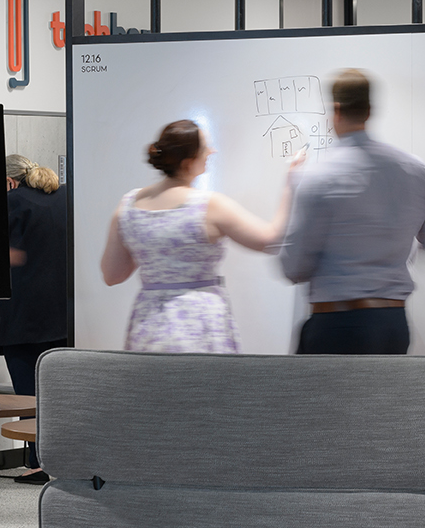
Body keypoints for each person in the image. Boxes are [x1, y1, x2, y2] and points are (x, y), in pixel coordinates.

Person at [278, 70, 425, 355]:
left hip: (336, 325)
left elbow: (293, 267)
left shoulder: (317, 177)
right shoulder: (415, 170)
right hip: (393, 325)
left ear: (335, 111)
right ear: (369, 111)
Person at [101, 119, 299, 353]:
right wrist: (291, 182)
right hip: (200, 328)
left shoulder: (128, 205)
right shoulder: (207, 206)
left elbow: (112, 275)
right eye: (205, 148)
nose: (212, 151)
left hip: (148, 330)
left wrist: (150, 246)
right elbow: (270, 239)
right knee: (202, 379)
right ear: (188, 163)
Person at [0, 155, 68, 484]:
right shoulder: (63, 197)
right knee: (60, 392)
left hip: (23, 313)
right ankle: (63, 461)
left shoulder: (11, 203)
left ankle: (39, 462)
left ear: (9, 182)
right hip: (66, 312)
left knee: (28, 393)